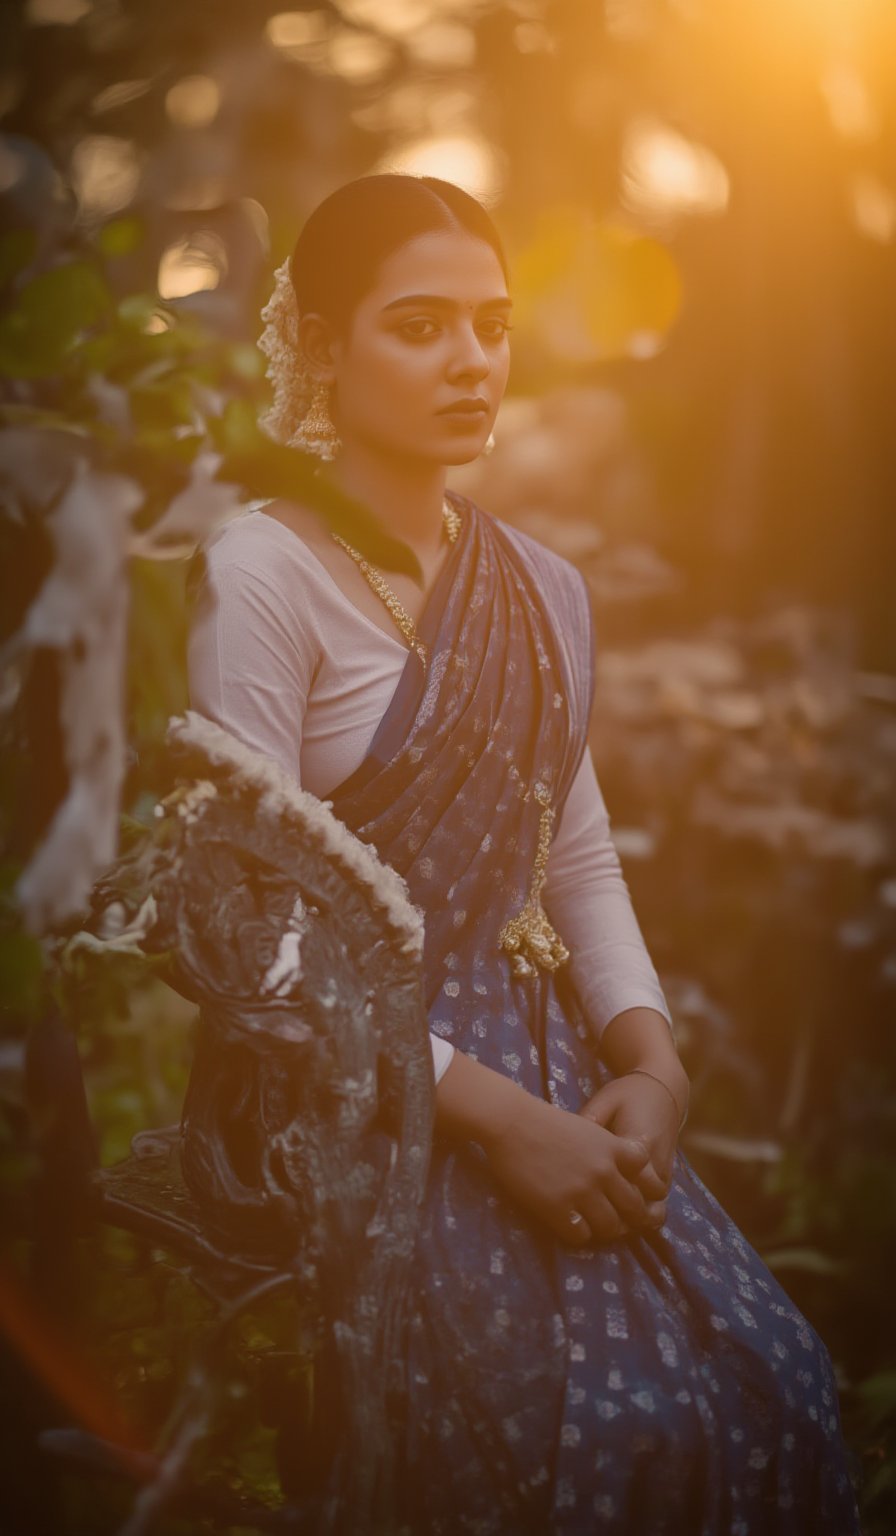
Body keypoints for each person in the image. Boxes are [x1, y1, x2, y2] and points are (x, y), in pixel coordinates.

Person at [186, 173, 862, 1534]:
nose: (471, 362)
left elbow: (579, 860)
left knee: (777, 1382)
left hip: (561, 1082)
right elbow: (242, 928)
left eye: (490, 326)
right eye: (420, 326)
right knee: (572, 1430)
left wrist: (653, 1065)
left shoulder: (539, 587)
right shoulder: (263, 572)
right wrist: (501, 1128)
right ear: (322, 347)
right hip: (353, 1100)